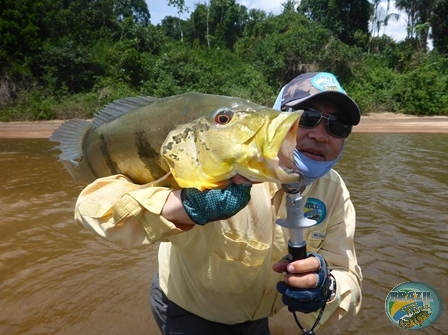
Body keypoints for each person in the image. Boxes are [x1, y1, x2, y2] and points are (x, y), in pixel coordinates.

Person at [75, 72, 363, 334]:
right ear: (278, 117)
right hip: (187, 315)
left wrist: (327, 287)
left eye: (338, 127)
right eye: (307, 117)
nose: (320, 135)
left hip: (256, 322)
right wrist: (182, 206)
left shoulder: (334, 190)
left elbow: (348, 274)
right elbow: (91, 205)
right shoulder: (203, 167)